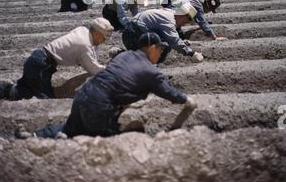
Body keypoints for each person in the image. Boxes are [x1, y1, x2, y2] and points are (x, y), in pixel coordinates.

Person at [16, 33, 196, 139]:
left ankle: (34, 137)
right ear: (152, 48)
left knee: (69, 129)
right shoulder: (150, 70)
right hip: (99, 105)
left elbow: (118, 80)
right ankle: (61, 149)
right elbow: (167, 91)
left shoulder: (124, 56)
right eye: (160, 49)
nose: (162, 52)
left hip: (84, 95)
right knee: (107, 140)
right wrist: (186, 99)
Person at [0, 18, 114, 102]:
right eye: (103, 38)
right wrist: (111, 70)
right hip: (41, 66)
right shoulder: (84, 45)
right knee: (46, 99)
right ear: (96, 33)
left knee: (24, 91)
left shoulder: (83, 30)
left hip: (38, 60)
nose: (103, 42)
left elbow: (90, 54)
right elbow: (93, 68)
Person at [122, 4, 204, 64]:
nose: (183, 25)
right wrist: (192, 53)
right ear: (181, 16)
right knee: (162, 48)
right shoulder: (169, 20)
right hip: (132, 34)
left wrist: (182, 42)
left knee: (160, 45)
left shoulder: (170, 13)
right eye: (185, 22)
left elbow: (169, 36)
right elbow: (173, 41)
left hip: (133, 31)